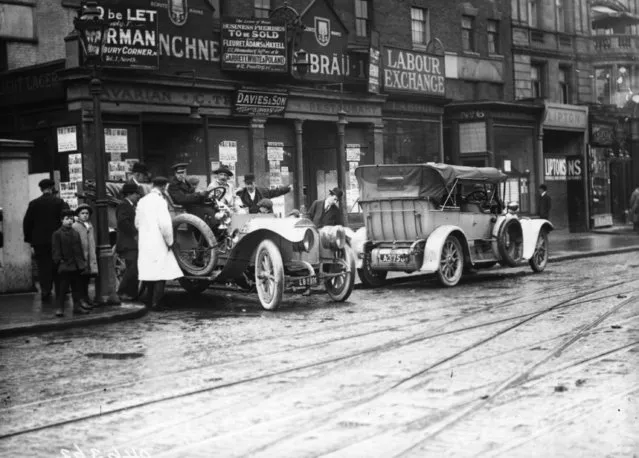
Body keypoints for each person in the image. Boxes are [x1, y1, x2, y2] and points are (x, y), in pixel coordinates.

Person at [135, 176, 183, 310]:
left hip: (145, 241)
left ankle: (149, 301)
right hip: (158, 241)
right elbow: (165, 225)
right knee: (161, 273)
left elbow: (137, 223)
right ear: (164, 187)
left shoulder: (142, 201)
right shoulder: (160, 202)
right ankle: (157, 303)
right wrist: (170, 241)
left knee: (149, 272)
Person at [23, 178, 69, 302]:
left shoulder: (34, 204)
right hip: (57, 240)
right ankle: (60, 291)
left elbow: (27, 223)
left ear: (41, 189)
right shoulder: (59, 202)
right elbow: (66, 220)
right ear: (52, 188)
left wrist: (30, 240)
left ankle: (45, 291)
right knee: (58, 265)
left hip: (40, 242)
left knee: (43, 267)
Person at [52, 209, 89, 317]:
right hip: (65, 266)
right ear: (61, 220)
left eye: (71, 219)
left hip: (76, 265)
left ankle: (77, 307)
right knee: (63, 289)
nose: (69, 221)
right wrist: (59, 262)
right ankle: (60, 308)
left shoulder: (75, 233)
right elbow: (55, 250)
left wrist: (82, 262)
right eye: (67, 219)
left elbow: (79, 249)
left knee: (77, 288)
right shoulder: (57, 234)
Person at [115, 183, 141, 300]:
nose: (138, 196)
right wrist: (134, 233)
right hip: (128, 243)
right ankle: (122, 292)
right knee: (132, 268)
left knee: (134, 268)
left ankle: (131, 294)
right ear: (130, 194)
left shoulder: (128, 205)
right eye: (136, 193)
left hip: (131, 243)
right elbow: (123, 222)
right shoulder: (124, 205)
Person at [72, 204, 98, 307]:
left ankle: (86, 299)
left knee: (86, 280)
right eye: (82, 213)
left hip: (89, 257)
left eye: (87, 213)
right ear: (78, 215)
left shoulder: (90, 226)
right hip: (81, 257)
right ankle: (81, 300)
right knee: (80, 281)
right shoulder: (75, 226)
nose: (85, 215)